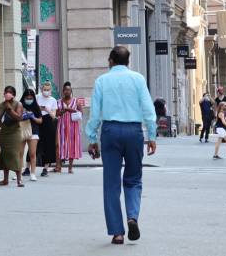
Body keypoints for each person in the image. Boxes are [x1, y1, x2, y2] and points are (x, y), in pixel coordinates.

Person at [85, 46, 157, 245]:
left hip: (110, 132)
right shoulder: (138, 79)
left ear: (110, 60)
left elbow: (95, 114)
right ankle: (132, 216)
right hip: (134, 131)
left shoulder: (101, 81)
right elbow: (148, 110)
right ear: (128, 61)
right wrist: (151, 135)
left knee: (111, 183)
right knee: (134, 178)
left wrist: (92, 138)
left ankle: (117, 232)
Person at [0, 86, 24, 187]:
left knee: (14, 154)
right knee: (4, 155)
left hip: (14, 132)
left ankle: (19, 179)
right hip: (3, 133)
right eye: (6, 92)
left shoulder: (18, 104)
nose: (8, 94)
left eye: (10, 92)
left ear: (14, 94)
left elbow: (19, 118)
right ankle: (5, 179)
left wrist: (10, 109)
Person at [56, 82, 82, 174]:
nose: (67, 91)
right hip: (62, 126)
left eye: (69, 90)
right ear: (63, 91)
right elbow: (56, 114)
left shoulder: (76, 101)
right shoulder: (58, 101)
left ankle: (70, 167)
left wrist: (71, 110)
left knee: (72, 145)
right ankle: (59, 166)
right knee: (60, 145)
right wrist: (62, 111)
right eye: (65, 90)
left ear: (71, 91)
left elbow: (80, 112)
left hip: (73, 126)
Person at [18, 89, 43, 182]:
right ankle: (18, 173)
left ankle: (32, 173)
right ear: (24, 97)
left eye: (31, 98)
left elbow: (40, 120)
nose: (29, 99)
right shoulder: (19, 105)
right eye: (27, 98)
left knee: (32, 153)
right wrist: (22, 116)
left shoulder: (36, 107)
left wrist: (33, 117)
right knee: (20, 153)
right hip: (22, 130)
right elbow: (15, 118)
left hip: (34, 131)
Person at [37, 82, 58, 177]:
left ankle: (45, 168)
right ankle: (28, 168)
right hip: (38, 120)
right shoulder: (37, 97)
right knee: (35, 143)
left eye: (48, 89)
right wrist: (39, 109)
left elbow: (54, 115)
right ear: (41, 89)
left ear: (51, 90)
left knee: (48, 145)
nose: (46, 91)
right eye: (44, 89)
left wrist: (47, 110)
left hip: (48, 121)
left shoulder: (53, 100)